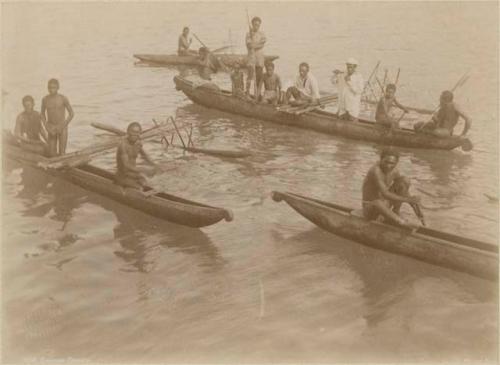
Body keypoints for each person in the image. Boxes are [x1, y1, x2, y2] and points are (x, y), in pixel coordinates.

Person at [362, 147, 421, 229]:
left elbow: (403, 188)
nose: (388, 166)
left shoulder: (395, 171)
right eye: (386, 162)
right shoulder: (375, 171)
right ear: (381, 159)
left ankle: (395, 212)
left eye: (392, 163)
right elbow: (385, 193)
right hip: (371, 208)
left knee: (404, 180)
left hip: (384, 205)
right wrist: (408, 200)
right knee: (378, 202)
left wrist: (414, 206)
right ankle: (401, 222)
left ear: (396, 162)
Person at [115, 122, 159, 190]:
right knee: (139, 188)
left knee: (146, 184)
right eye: (133, 132)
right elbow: (126, 165)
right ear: (128, 132)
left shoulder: (138, 143)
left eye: (137, 132)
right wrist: (144, 170)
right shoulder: (123, 145)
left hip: (133, 174)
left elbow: (145, 156)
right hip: (122, 176)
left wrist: (155, 165)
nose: (134, 134)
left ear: (139, 133)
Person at [40, 78, 74, 156]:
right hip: (51, 127)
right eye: (50, 88)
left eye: (53, 87)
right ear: (47, 88)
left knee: (62, 152)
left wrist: (63, 125)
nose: (51, 90)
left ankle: (63, 166)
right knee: (52, 153)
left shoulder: (63, 98)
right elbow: (42, 114)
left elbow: (71, 113)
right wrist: (46, 126)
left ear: (58, 87)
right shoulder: (45, 99)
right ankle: (54, 166)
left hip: (62, 127)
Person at [245, 16, 266, 97]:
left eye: (258, 25)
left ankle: (258, 94)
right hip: (251, 58)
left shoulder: (262, 34)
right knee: (250, 76)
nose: (256, 26)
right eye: (255, 24)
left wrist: (254, 46)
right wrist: (253, 43)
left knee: (259, 77)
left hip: (259, 59)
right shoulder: (248, 34)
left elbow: (262, 44)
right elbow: (249, 45)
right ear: (252, 24)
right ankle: (247, 93)